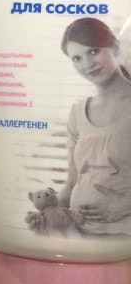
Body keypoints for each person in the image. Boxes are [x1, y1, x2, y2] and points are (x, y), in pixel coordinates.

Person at [55, 17, 131, 234]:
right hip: (81, 234)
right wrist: (49, 211)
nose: (87, 64)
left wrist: (126, 205)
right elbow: (71, 185)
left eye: (93, 51)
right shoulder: (78, 112)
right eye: (77, 58)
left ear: (115, 48)